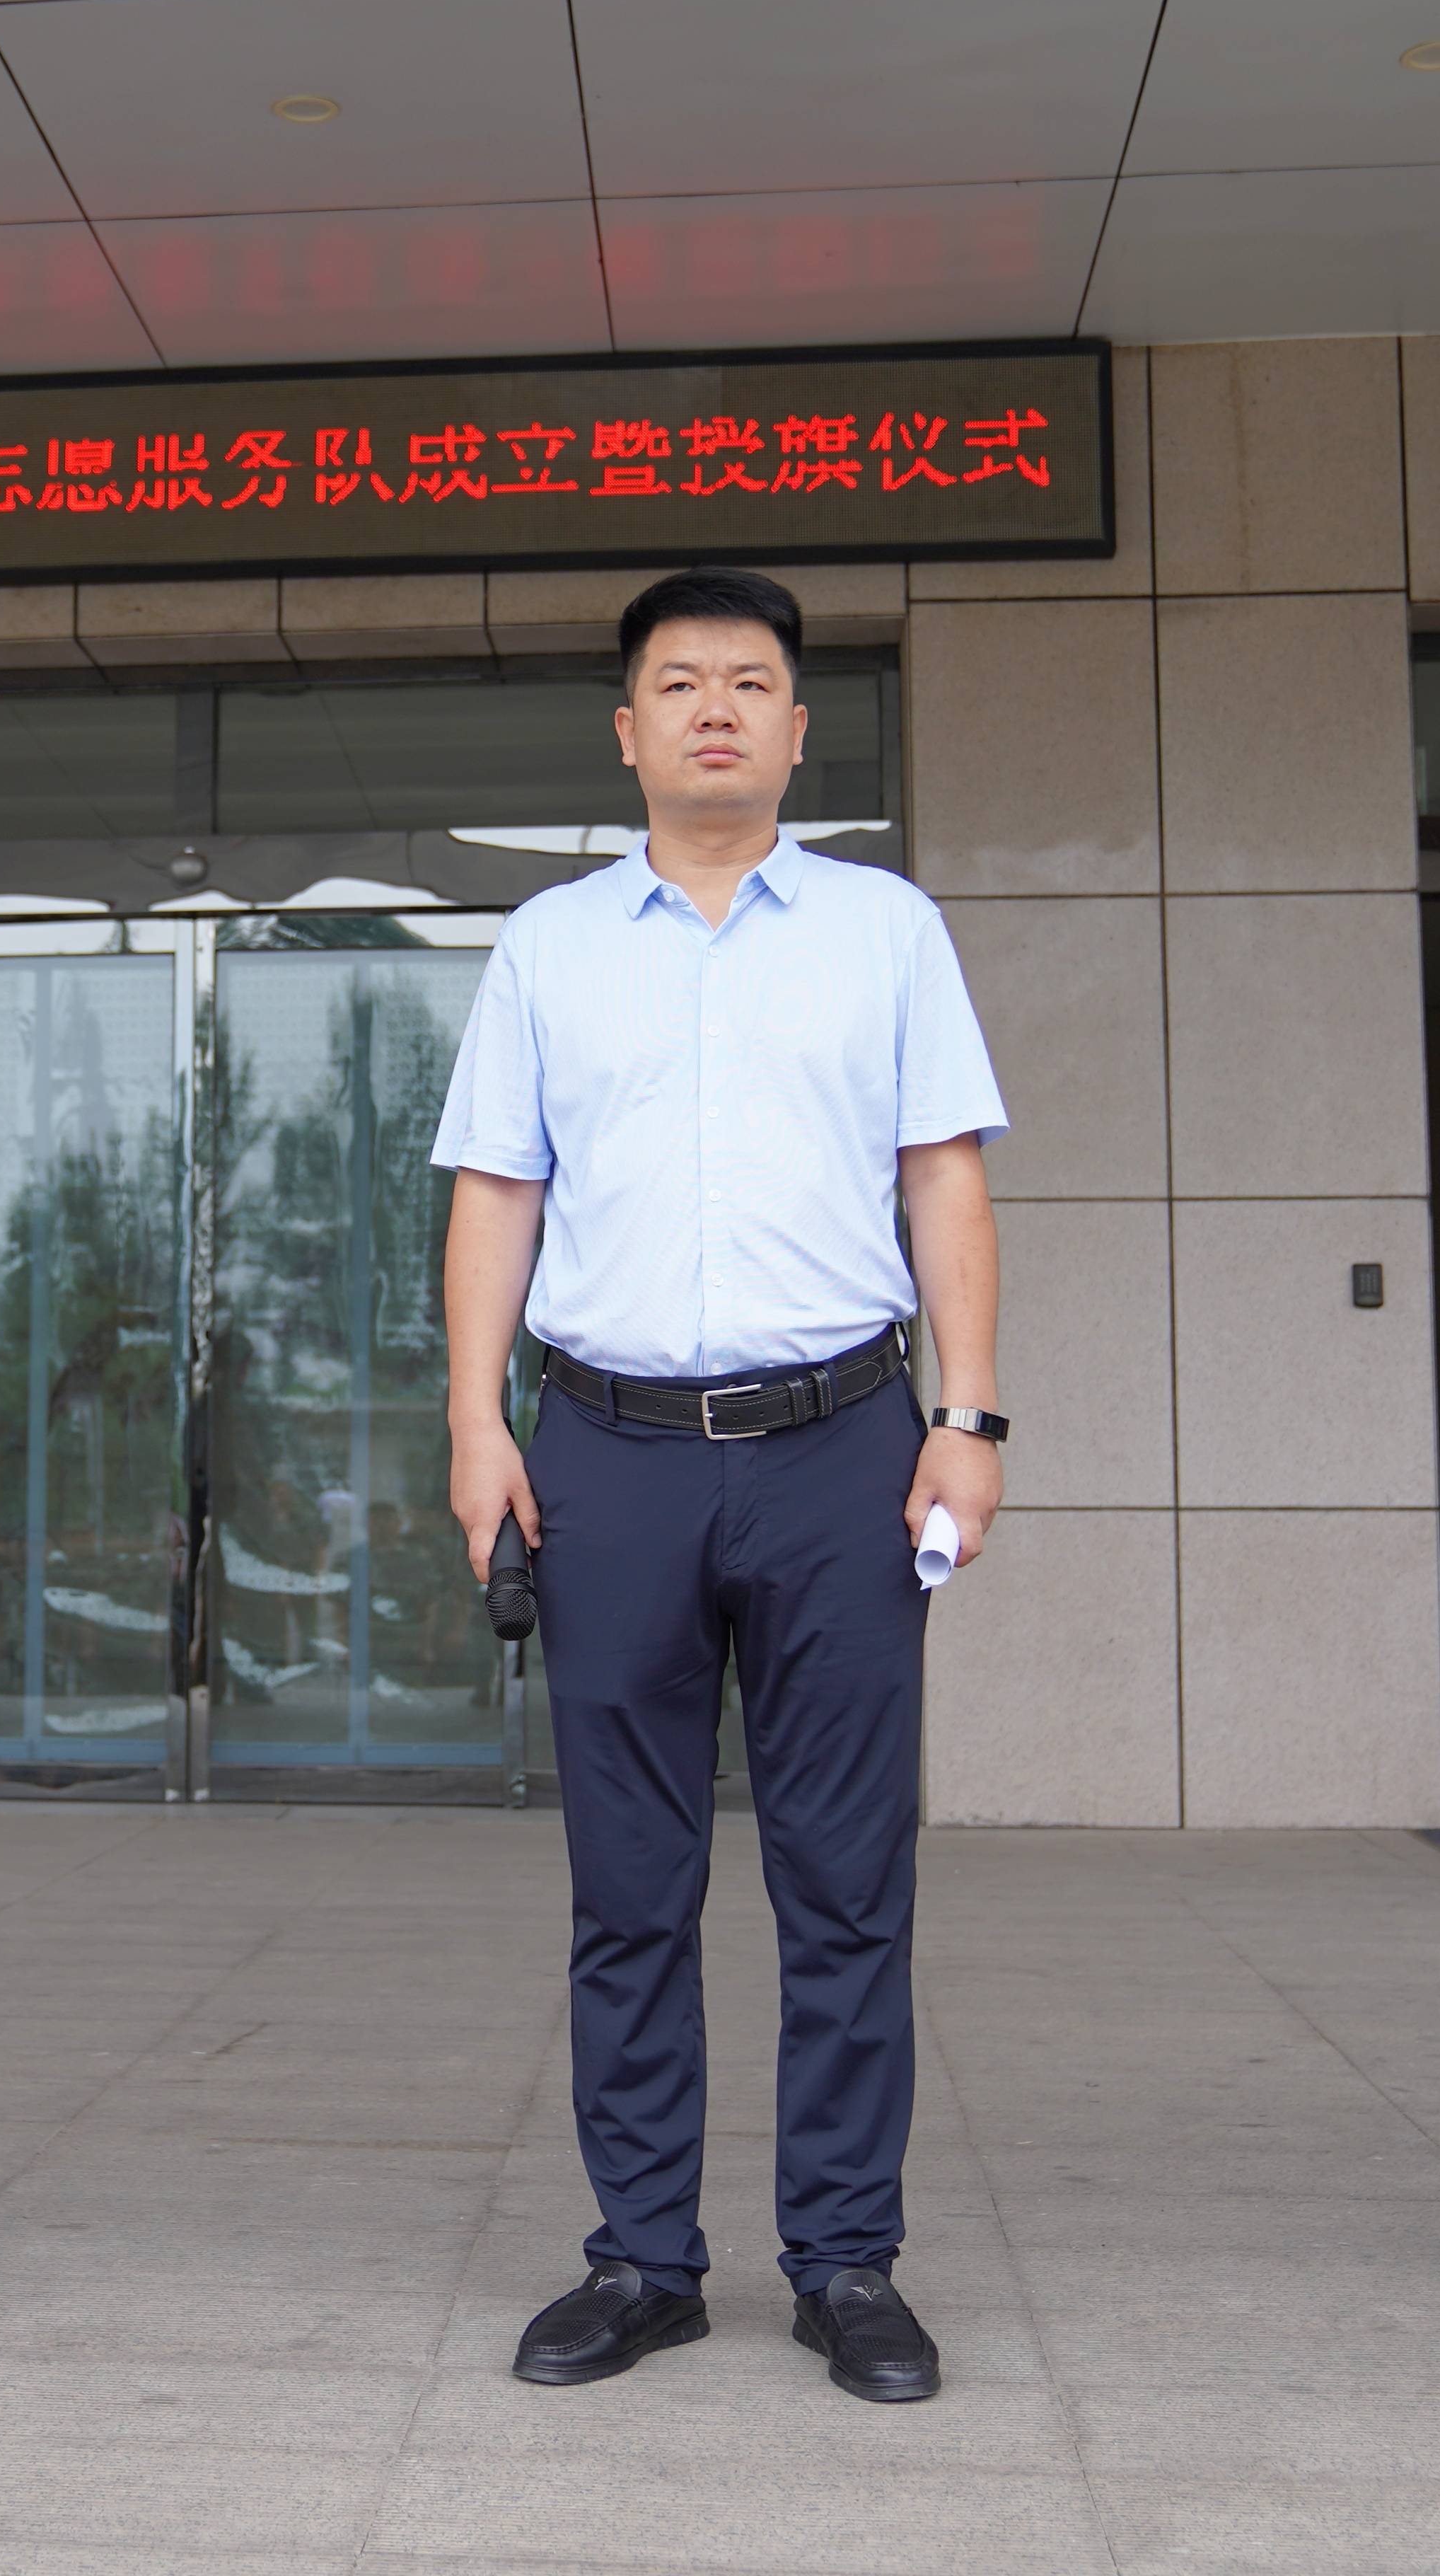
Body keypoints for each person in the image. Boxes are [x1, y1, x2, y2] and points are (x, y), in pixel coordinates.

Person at [434, 567, 1009, 2405]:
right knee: (631, 1886)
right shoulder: (548, 947)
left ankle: (847, 2261)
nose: (713, 711)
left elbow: (944, 1186)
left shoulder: (886, 930)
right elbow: (495, 1198)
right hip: (604, 1458)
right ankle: (643, 2260)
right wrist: (476, 1424)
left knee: (848, 1882)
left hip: (843, 1449)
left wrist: (970, 1423)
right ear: (627, 729)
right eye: (678, 683)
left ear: (795, 728)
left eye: (748, 683)